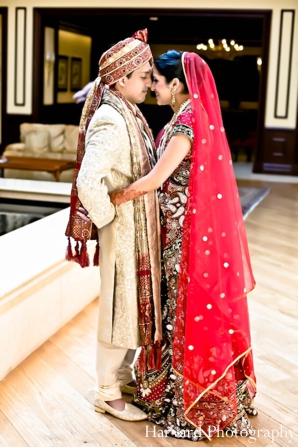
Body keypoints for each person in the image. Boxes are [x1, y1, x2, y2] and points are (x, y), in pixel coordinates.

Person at [109, 50, 257, 440]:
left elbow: (156, 180)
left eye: (156, 79)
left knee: (181, 309)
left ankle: (192, 399)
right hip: (177, 231)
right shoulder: (187, 117)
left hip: (183, 237)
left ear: (176, 85)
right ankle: (181, 388)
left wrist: (109, 199)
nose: (152, 85)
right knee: (176, 308)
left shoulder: (184, 125)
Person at [65, 29, 163, 422]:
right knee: (117, 310)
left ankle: (120, 378)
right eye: (144, 75)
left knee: (131, 310)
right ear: (121, 78)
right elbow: (89, 182)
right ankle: (105, 390)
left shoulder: (128, 111)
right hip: (123, 229)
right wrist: (110, 222)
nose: (150, 82)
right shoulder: (110, 117)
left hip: (136, 229)